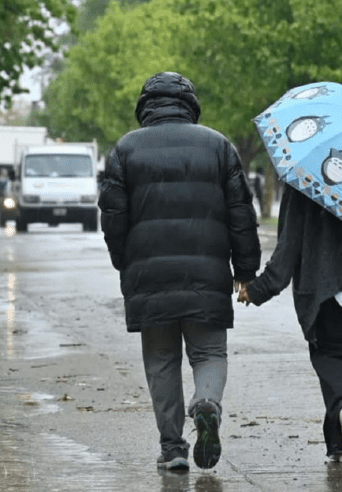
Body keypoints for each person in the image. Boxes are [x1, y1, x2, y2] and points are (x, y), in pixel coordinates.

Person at [98, 72, 262, 471]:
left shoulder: (125, 150)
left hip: (148, 277)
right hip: (208, 275)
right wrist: (245, 270)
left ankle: (172, 448)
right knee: (208, 352)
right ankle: (206, 403)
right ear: (190, 105)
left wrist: (125, 262)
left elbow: (112, 218)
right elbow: (242, 214)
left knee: (161, 360)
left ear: (145, 107)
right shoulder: (219, 146)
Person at [238, 185, 342, 463]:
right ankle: (340, 440)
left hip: (325, 286)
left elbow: (288, 247)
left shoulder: (305, 182)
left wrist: (258, 289)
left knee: (331, 356)